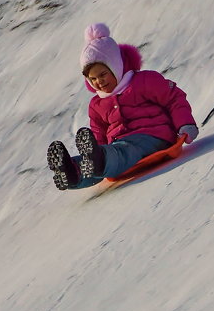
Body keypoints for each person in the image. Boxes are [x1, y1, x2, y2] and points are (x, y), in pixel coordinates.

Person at [47, 23, 198, 190]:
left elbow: (174, 98)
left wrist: (185, 124)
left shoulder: (144, 81)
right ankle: (73, 172)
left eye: (103, 74)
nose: (99, 81)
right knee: (106, 161)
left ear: (116, 66)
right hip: (118, 148)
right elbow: (98, 133)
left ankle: (101, 160)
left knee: (124, 151)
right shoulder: (97, 104)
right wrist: (96, 150)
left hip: (154, 137)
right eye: (93, 79)